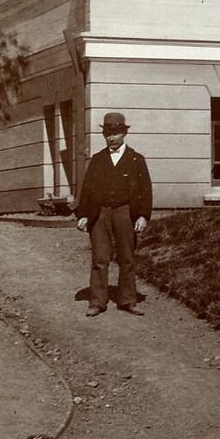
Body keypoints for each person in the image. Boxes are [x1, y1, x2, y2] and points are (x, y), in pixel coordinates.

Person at [75, 111, 153, 315]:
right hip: (100, 213)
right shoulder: (98, 159)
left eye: (116, 133)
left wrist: (143, 215)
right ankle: (97, 302)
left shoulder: (136, 159)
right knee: (99, 258)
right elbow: (87, 189)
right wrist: (83, 214)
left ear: (124, 134)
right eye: (108, 133)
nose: (111, 137)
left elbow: (145, 189)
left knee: (127, 257)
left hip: (125, 212)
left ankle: (127, 300)